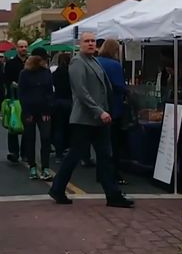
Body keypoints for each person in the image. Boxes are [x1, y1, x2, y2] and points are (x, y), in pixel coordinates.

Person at [49, 32, 134, 208]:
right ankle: (57, 188)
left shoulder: (94, 61)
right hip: (84, 119)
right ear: (80, 44)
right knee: (74, 156)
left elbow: (104, 88)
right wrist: (99, 111)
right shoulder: (77, 62)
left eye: (93, 41)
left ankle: (112, 194)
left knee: (105, 157)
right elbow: (81, 92)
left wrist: (106, 110)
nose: (90, 44)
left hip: (100, 120)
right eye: (86, 41)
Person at [18, 47, 54, 180]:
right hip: (30, 111)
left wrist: (48, 110)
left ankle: (45, 167)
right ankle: (32, 166)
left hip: (44, 111)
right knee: (30, 138)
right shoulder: (24, 73)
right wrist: (27, 112)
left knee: (45, 138)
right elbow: (22, 94)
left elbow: (50, 92)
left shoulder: (46, 72)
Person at [97, 39, 128, 185]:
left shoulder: (95, 62)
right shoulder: (115, 65)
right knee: (114, 144)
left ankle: (100, 172)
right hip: (114, 107)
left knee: (100, 143)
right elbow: (119, 85)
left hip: (98, 107)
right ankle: (113, 173)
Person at [4, 40, 28, 163]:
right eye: (21, 47)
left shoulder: (31, 62)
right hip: (14, 98)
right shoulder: (11, 63)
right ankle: (14, 152)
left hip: (28, 98)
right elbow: (6, 79)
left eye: (25, 46)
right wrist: (12, 84)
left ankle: (25, 153)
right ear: (16, 48)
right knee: (13, 124)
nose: (23, 49)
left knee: (27, 126)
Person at [51, 52, 72, 161]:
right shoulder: (71, 73)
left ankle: (59, 152)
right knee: (71, 127)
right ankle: (70, 149)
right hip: (70, 101)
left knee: (58, 128)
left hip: (58, 101)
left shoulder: (55, 74)